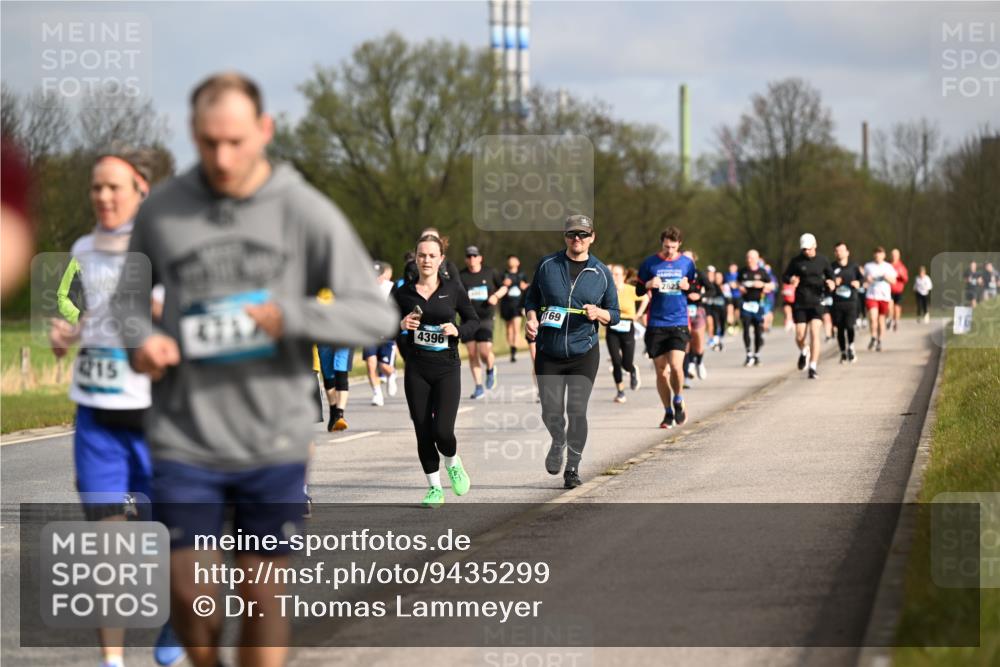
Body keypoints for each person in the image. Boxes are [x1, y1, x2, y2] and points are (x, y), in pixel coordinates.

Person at [112, 72, 398, 667]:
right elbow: (128, 302)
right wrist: (143, 340)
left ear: (263, 131)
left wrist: (288, 316)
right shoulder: (164, 210)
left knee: (258, 589)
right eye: (209, 142)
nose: (222, 156)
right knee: (191, 598)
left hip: (274, 435)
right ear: (192, 134)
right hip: (185, 432)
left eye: (236, 141)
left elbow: (375, 314)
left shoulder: (304, 211)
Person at [48, 150, 185, 667]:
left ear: (140, 192)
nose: (103, 197)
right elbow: (97, 316)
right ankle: (113, 661)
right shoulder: (85, 248)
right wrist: (70, 334)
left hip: (155, 416)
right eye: (95, 188)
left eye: (114, 188)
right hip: (96, 417)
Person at [524, 214, 619, 488]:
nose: (576, 239)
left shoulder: (601, 272)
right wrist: (531, 319)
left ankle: (573, 468)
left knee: (577, 410)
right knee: (550, 412)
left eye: (582, 234)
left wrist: (599, 312)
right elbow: (532, 300)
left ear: (592, 237)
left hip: (583, 352)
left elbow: (615, 314)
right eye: (571, 234)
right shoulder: (547, 265)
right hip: (548, 351)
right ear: (565, 237)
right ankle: (558, 439)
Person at [394, 234, 477, 507]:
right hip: (417, 368)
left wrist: (458, 330)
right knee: (422, 430)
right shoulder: (403, 293)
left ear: (441, 259)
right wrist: (401, 325)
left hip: (447, 368)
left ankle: (453, 462)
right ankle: (434, 488)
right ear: (415, 259)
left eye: (432, 255)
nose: (426, 260)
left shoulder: (453, 288)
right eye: (422, 255)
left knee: (442, 430)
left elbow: (474, 321)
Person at [636, 226, 697, 427]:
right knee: (661, 371)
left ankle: (678, 398)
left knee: (676, 367)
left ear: (679, 245)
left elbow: (695, 289)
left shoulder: (687, 263)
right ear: (661, 244)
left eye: (672, 247)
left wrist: (688, 288)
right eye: (665, 246)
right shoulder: (649, 263)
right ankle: (668, 411)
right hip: (656, 323)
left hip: (678, 321)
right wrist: (648, 285)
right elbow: (638, 290)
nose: (668, 250)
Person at [782, 233, 835, 379]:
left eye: (809, 249)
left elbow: (831, 277)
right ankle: (804, 349)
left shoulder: (823, 260)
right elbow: (785, 276)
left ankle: (813, 367)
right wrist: (791, 279)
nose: (806, 252)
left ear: (815, 245)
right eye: (804, 249)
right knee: (799, 335)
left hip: (817, 301)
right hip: (800, 302)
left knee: (814, 332)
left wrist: (831, 283)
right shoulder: (796, 261)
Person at [459, 245, 507, 398]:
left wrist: (496, 296)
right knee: (472, 354)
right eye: (469, 256)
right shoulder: (461, 276)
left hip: (485, 317)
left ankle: (490, 369)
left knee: (485, 351)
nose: (472, 259)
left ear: (480, 258)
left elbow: (504, 287)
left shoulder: (490, 272)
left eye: (474, 256)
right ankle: (478, 386)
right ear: (466, 259)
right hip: (467, 319)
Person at [605, 264, 646, 403]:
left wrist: (639, 314)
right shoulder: (606, 290)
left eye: (617, 274)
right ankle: (620, 391)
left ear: (623, 276)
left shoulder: (631, 290)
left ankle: (633, 369)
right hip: (612, 329)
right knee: (616, 362)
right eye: (611, 274)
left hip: (628, 327)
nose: (613, 277)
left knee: (626, 363)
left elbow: (645, 298)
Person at [364, 261, 398, 406]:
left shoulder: (391, 288)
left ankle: (392, 374)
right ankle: (377, 394)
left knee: (384, 366)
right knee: (371, 364)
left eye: (378, 275)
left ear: (384, 275)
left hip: (386, 334)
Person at [830, 242, 865, 363]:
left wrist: (858, 283)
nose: (839, 252)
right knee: (840, 329)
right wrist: (833, 282)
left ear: (847, 252)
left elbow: (862, 278)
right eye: (837, 250)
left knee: (850, 326)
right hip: (837, 302)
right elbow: (826, 280)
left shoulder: (853, 266)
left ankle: (851, 346)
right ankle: (843, 352)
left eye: (841, 250)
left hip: (851, 301)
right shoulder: (832, 267)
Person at [737, 249, 772, 367]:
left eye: (752, 258)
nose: (749, 260)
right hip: (746, 304)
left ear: (757, 259)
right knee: (746, 327)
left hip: (758, 304)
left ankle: (756, 354)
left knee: (758, 330)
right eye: (748, 257)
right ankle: (748, 353)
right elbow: (737, 283)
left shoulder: (762, 272)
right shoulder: (742, 271)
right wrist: (740, 287)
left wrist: (762, 285)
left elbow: (771, 285)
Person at [863, 246, 898, 352]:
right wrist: (867, 279)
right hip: (871, 296)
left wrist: (887, 277)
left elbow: (894, 281)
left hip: (884, 297)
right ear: (874, 255)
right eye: (876, 253)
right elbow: (863, 280)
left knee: (881, 320)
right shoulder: (868, 266)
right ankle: (873, 336)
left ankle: (879, 340)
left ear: (884, 255)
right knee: (873, 318)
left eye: (880, 253)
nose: (878, 255)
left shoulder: (888, 267)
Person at [500, 255, 530, 363]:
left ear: (518, 262)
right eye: (510, 259)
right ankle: (511, 346)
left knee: (516, 328)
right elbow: (499, 287)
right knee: (509, 329)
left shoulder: (522, 275)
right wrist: (503, 284)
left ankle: (514, 352)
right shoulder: (504, 274)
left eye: (514, 259)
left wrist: (525, 286)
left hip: (518, 304)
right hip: (506, 304)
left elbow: (528, 288)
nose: (512, 261)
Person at [889, 248, 909, 330]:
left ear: (898, 256)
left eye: (896, 255)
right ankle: (890, 319)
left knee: (897, 307)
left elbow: (906, 279)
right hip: (889, 290)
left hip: (898, 290)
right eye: (893, 255)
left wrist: (900, 275)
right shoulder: (888, 266)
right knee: (890, 306)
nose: (894, 256)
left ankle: (896, 321)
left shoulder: (902, 267)